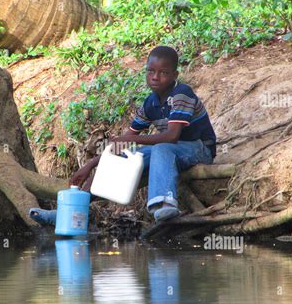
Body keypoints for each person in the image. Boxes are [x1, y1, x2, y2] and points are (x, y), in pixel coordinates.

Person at [30, 46, 216, 225]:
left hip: (199, 149)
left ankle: (165, 204)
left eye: (163, 73)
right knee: (120, 157)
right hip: (169, 152)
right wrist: (90, 165)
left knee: (161, 148)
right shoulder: (150, 103)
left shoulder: (181, 94)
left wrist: (133, 140)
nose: (155, 77)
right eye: (151, 71)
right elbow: (124, 142)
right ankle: (69, 212)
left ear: (174, 75)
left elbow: (171, 136)